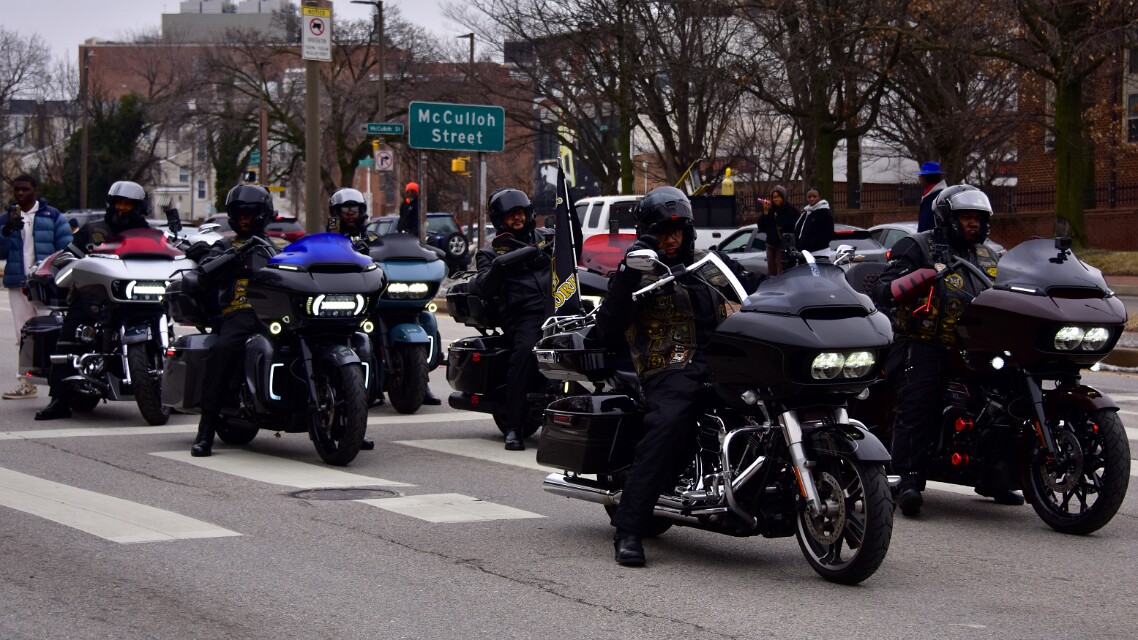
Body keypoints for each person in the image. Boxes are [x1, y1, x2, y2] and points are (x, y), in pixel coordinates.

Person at [593, 186, 761, 567]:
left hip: (723, 363)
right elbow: (607, 327)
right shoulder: (637, 268)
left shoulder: (709, 265)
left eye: (678, 230)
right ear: (647, 232)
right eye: (662, 231)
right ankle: (630, 528)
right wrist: (626, 273)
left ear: (689, 230)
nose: (671, 238)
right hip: (667, 366)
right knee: (670, 423)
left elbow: (751, 295)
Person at [870, 184, 1017, 516]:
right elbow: (883, 287)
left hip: (975, 343)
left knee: (1010, 391)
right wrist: (910, 282)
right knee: (920, 393)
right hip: (921, 340)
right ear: (947, 218)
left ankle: (996, 473)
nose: (973, 224)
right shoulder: (919, 246)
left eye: (978, 219)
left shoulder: (990, 255)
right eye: (966, 217)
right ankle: (906, 477)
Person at [34, 181, 150, 420]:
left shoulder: (148, 232)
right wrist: (60, 262)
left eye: (128, 204)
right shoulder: (94, 229)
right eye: (119, 203)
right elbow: (71, 252)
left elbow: (170, 251)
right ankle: (59, 400)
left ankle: (170, 393)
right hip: (92, 296)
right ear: (110, 204)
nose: (122, 208)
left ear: (139, 207)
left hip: (136, 296)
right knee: (68, 337)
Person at [327, 188, 442, 411]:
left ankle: (420, 383)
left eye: (355, 208)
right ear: (336, 211)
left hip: (381, 294)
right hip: (353, 298)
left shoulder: (372, 238)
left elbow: (386, 254)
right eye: (346, 209)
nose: (351, 213)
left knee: (426, 319)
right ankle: (364, 386)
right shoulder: (331, 238)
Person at [190, 185, 280, 456]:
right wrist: (218, 259)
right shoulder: (226, 245)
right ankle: (206, 429)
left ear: (263, 214)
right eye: (239, 213)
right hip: (242, 313)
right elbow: (207, 270)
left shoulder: (278, 246)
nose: (243, 218)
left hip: (280, 312)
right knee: (224, 349)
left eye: (250, 213)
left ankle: (348, 424)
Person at [469, 188, 554, 451]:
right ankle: (514, 427)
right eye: (511, 215)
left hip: (559, 306)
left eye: (521, 213)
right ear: (499, 220)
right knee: (526, 354)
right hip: (523, 314)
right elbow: (483, 286)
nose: (517, 218)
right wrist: (499, 266)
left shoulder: (546, 238)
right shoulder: (490, 253)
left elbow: (573, 253)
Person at [0, 174, 73, 400]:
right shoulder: (7, 218)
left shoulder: (52, 216)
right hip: (18, 283)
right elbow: (0, 252)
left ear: (35, 190)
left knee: (55, 332)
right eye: (16, 190)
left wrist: (56, 275)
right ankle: (26, 383)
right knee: (22, 333)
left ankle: (59, 382)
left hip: (46, 285)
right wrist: (6, 231)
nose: (20, 194)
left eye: (25, 189)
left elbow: (66, 248)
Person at [757, 185, 798, 275]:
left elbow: (794, 229)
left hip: (783, 246)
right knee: (772, 271)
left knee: (781, 270)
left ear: (784, 197)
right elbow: (761, 227)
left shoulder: (791, 211)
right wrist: (765, 213)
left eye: (779, 197)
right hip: (771, 245)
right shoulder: (770, 210)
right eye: (774, 197)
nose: (776, 199)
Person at [796, 189, 835, 253]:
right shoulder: (805, 213)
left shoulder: (825, 213)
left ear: (819, 197)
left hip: (819, 252)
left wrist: (812, 244)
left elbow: (829, 234)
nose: (812, 199)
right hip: (804, 252)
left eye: (814, 196)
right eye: (809, 197)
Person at [916, 161, 947, 232]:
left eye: (921, 177)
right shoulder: (931, 196)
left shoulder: (938, 198)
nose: (920, 180)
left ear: (926, 178)